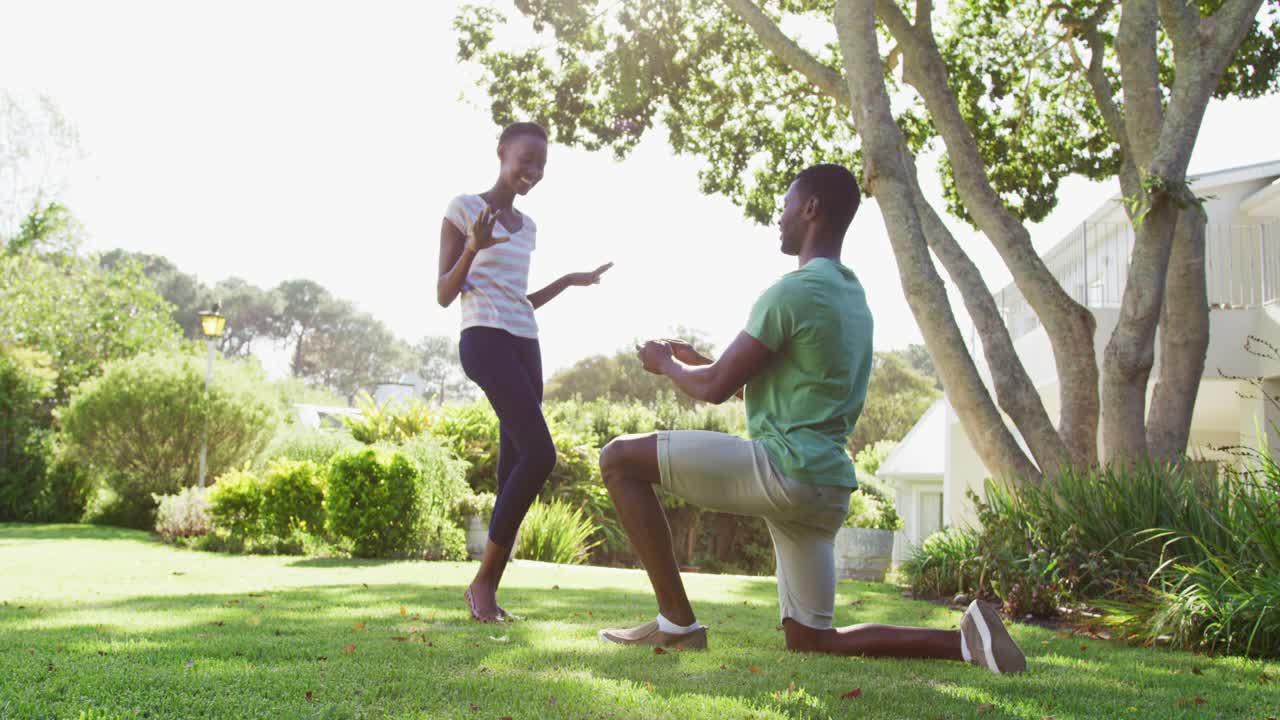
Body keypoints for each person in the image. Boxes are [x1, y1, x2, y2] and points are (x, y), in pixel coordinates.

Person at [594, 163, 1027, 674]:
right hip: (823, 489)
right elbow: (773, 385)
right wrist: (699, 361)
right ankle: (964, 642)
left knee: (619, 459)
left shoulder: (792, 291)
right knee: (812, 640)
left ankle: (677, 623)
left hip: (785, 470)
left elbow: (714, 389)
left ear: (811, 208)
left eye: (785, 205)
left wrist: (665, 365)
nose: (779, 217)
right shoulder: (852, 299)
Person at [438, 121, 612, 623]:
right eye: (525, 160)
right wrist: (474, 245)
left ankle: (487, 590)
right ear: (501, 153)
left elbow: (519, 299)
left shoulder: (529, 227)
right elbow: (445, 294)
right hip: (484, 341)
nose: (532, 172)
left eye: (540, 165)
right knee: (540, 454)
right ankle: (483, 584)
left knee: (515, 464)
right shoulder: (463, 208)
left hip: (525, 342)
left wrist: (568, 281)